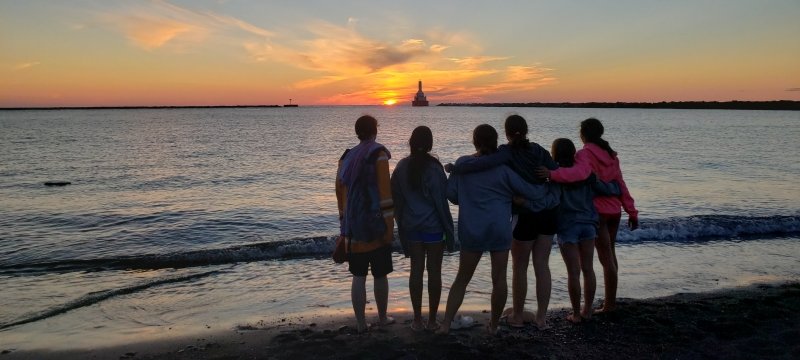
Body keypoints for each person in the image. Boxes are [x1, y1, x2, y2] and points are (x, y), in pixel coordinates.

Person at [439, 124, 560, 335]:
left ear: (474, 141)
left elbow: (452, 195)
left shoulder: (463, 165)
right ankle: (493, 326)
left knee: (462, 278)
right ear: (496, 142)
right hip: (499, 229)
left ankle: (446, 325)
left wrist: (465, 194)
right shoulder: (505, 170)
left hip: (472, 228)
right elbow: (530, 191)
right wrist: (551, 182)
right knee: (499, 278)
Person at [537, 118, 638, 313]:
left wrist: (551, 174)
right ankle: (609, 301)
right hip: (614, 210)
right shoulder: (611, 155)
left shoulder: (584, 154)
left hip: (597, 212)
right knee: (609, 256)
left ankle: (607, 306)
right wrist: (631, 210)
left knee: (603, 259)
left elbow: (579, 174)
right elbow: (620, 184)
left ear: (583, 134)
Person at [549, 138, 620, 323]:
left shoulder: (557, 176)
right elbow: (606, 189)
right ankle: (587, 310)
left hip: (567, 227)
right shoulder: (586, 175)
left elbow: (552, 201)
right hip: (588, 224)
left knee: (573, 272)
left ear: (554, 154)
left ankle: (576, 314)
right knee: (588, 269)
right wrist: (615, 186)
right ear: (574, 153)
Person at [391, 126, 455, 332]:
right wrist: (450, 232)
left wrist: (399, 226)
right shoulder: (435, 169)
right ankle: (432, 320)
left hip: (412, 227)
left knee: (416, 272)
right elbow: (441, 203)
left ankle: (417, 320)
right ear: (430, 144)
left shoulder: (401, 167)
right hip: (434, 228)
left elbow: (396, 201)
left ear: (410, 142)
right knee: (434, 272)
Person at [336, 115, 395, 333]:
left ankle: (361, 324)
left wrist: (344, 226)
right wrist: (389, 226)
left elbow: (340, 194)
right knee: (381, 274)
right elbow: (385, 194)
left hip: (354, 228)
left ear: (357, 132)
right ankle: (381, 318)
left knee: (358, 276)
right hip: (376, 227)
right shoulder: (378, 155)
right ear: (375, 130)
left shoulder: (347, 157)